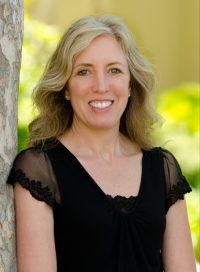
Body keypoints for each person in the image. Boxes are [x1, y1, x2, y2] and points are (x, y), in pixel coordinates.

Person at [7, 15, 196, 271]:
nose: (101, 86)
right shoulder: (40, 170)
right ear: (65, 87)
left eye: (114, 70)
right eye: (84, 71)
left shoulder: (162, 168)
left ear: (130, 84)